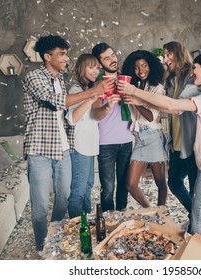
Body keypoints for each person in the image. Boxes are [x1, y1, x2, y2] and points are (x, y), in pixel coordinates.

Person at [119, 51, 201, 250]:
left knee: (198, 221)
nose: (192, 71)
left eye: (195, 68)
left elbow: (171, 104)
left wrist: (133, 91)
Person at [22, 35, 113, 250]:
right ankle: (42, 247)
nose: (66, 58)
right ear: (47, 56)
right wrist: (93, 92)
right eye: (61, 54)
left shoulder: (60, 81)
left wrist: (94, 97)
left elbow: (67, 115)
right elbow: (54, 101)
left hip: (63, 149)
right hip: (40, 150)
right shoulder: (33, 77)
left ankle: (54, 237)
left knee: (63, 199)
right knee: (41, 205)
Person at [66, 54, 118, 218]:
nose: (95, 71)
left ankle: (87, 222)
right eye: (91, 67)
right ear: (81, 68)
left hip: (89, 146)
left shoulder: (87, 89)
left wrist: (105, 103)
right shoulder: (76, 90)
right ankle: (77, 229)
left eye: (97, 67)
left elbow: (93, 117)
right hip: (79, 147)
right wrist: (92, 95)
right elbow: (72, 119)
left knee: (87, 186)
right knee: (78, 192)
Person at [161, 41, 201, 214]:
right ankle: (194, 213)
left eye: (167, 55)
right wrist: (171, 139)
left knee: (196, 189)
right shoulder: (171, 80)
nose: (165, 60)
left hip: (192, 144)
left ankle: (198, 224)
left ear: (177, 53)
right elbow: (172, 115)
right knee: (174, 183)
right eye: (164, 56)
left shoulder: (193, 77)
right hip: (177, 144)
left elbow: (175, 106)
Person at [120, 50, 168, 207]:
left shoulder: (157, 88)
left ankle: (161, 212)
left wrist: (134, 100)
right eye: (136, 67)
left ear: (151, 66)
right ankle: (151, 210)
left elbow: (151, 116)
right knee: (130, 184)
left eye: (144, 66)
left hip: (153, 136)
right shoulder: (133, 86)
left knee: (160, 181)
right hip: (139, 137)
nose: (141, 70)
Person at [91, 43, 134, 212]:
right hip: (106, 143)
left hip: (127, 140)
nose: (112, 60)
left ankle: (122, 217)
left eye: (113, 55)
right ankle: (108, 221)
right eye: (106, 58)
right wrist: (108, 106)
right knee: (108, 187)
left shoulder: (128, 80)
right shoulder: (98, 85)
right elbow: (95, 115)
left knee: (124, 184)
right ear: (100, 64)